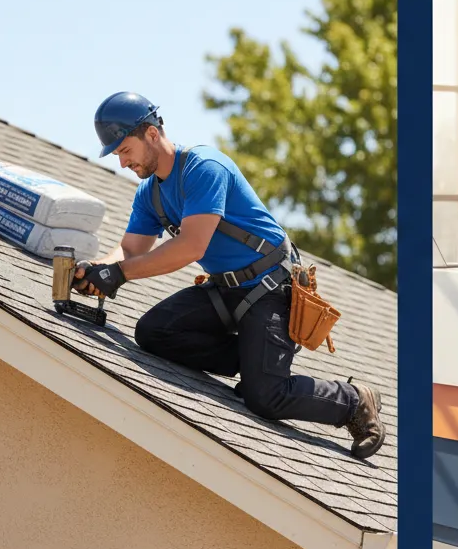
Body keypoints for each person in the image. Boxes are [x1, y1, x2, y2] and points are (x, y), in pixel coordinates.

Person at [73, 92, 386, 459]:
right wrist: (99, 269)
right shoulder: (150, 194)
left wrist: (119, 274)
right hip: (226, 290)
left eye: (124, 149)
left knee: (266, 396)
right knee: (153, 332)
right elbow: (130, 249)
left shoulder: (204, 168)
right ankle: (257, 360)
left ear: (151, 134)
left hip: (272, 290)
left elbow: (192, 247)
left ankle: (353, 401)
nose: (122, 161)